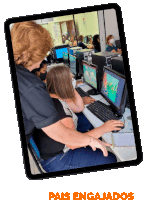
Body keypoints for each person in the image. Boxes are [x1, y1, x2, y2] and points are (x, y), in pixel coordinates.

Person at [11, 21, 124, 173]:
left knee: (85, 121)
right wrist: (95, 136)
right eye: (42, 53)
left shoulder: (28, 81)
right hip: (58, 159)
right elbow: (64, 137)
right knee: (111, 159)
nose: (41, 61)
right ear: (34, 53)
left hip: (50, 150)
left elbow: (76, 107)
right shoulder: (31, 87)